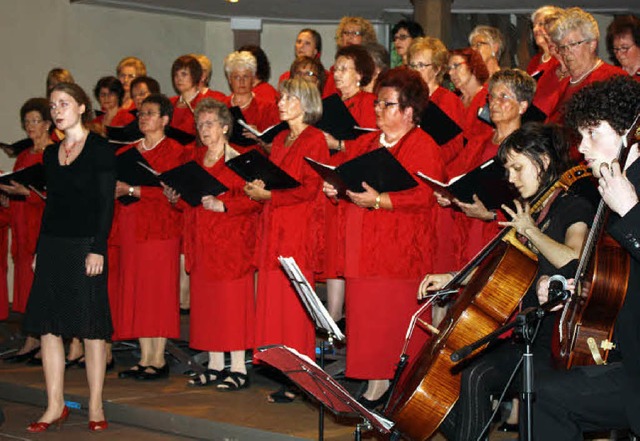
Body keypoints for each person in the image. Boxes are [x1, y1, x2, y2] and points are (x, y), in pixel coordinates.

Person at [420, 122, 594, 441]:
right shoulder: (532, 212)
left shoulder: (573, 206)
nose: (511, 179)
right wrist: (452, 278)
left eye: (517, 168)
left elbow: (573, 258)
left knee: (477, 373)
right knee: (448, 379)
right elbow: (499, 268)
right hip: (526, 332)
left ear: (542, 160)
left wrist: (529, 231)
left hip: (554, 340)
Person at [322, 67, 445, 410]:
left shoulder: (423, 146)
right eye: (377, 103)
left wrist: (380, 200)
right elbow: (346, 177)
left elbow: (425, 196)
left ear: (409, 111)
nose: (377, 109)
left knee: (392, 323)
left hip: (399, 252)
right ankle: (376, 383)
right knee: (367, 322)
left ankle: (392, 387)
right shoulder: (363, 142)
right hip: (363, 248)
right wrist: (335, 187)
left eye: (386, 104)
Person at [533, 75, 640, 440]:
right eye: (580, 135)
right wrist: (570, 287)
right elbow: (615, 275)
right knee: (545, 396)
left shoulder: (625, 192)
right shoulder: (614, 184)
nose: (582, 147)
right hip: (630, 363)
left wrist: (631, 210)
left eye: (593, 133)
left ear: (628, 132)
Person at [22, 82, 116, 432]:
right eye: (53, 105)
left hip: (85, 245)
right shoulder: (50, 153)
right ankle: (54, 405)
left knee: (91, 328)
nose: (57, 110)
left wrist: (98, 247)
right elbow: (52, 207)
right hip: (53, 246)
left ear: (81, 108)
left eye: (64, 103)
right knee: (49, 328)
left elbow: (106, 204)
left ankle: (94, 406)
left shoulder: (100, 149)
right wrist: (38, 249)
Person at [243, 78, 328, 402]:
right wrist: (257, 188)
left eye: (288, 98)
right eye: (281, 97)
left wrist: (269, 195)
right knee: (273, 303)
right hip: (274, 226)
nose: (280, 102)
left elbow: (309, 188)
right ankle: (284, 372)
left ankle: (301, 378)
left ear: (305, 103)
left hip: (296, 229)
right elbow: (277, 181)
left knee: (293, 307)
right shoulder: (279, 139)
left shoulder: (315, 138)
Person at [167, 99, 260, 389]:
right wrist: (176, 198)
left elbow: (255, 198)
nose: (203, 129)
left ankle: (238, 369)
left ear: (224, 126)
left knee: (232, 307)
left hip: (232, 243)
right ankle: (216, 365)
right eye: (199, 124)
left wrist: (224, 205)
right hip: (203, 242)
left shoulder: (240, 158)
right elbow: (192, 201)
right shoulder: (195, 160)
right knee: (208, 308)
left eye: (209, 123)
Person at [113, 94, 183, 381]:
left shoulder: (176, 151)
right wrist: (120, 190)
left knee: (158, 293)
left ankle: (158, 358)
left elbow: (176, 193)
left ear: (165, 119)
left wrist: (134, 190)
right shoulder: (124, 153)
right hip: (131, 225)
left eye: (150, 113)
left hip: (161, 228)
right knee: (138, 292)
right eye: (141, 113)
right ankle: (144, 357)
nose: (143, 117)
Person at [441, 69, 536, 265]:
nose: (493, 103)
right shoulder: (479, 142)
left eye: (503, 97)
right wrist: (445, 193)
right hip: (465, 230)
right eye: (491, 97)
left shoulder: (529, 148)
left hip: (500, 236)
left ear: (523, 106)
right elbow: (452, 177)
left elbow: (534, 203)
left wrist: (491, 215)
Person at [0, 98, 53, 364]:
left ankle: (46, 342)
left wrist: (28, 195)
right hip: (21, 224)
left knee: (42, 287)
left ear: (47, 123)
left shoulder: (53, 153)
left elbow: (55, 195)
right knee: (25, 286)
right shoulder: (23, 155)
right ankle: (31, 339)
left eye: (35, 121)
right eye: (27, 122)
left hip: (42, 224)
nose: (30, 126)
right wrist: (8, 196)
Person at [547, 7, 627, 123]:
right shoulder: (564, 84)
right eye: (562, 47)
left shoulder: (613, 79)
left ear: (592, 44)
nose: (566, 53)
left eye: (573, 44)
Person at [408, 36, 464, 164]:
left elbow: (454, 146)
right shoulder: (408, 98)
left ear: (437, 69)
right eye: (413, 65)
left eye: (421, 65)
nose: (416, 71)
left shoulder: (447, 100)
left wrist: (427, 161)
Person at [222, 51, 279, 151]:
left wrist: (259, 137)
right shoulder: (221, 107)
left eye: (246, 76)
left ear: (253, 79)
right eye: (236, 77)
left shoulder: (267, 108)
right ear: (229, 80)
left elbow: (277, 150)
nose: (241, 81)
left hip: (257, 162)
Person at [447, 48, 492, 142]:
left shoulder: (489, 98)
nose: (450, 73)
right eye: (449, 68)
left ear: (472, 65)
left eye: (456, 66)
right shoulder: (454, 101)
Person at [169, 55, 204, 136]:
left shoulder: (204, 104)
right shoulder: (170, 103)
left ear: (195, 75)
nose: (179, 78)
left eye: (184, 74)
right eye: (176, 75)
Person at [527, 5, 564, 75]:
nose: (535, 29)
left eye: (541, 24)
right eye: (534, 26)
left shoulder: (562, 58)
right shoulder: (534, 61)